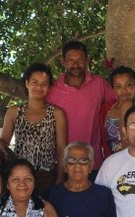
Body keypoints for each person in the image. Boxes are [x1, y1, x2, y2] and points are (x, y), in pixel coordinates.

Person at [1, 63, 68, 195]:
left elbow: (62, 148)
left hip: (47, 176)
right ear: (26, 83)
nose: (39, 87)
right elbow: (4, 143)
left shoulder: (56, 113)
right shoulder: (14, 112)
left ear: (49, 87)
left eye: (44, 84)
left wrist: (60, 177)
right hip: (20, 177)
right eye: (35, 82)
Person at [46, 40, 116, 169]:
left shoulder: (99, 84)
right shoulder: (52, 90)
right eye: (71, 60)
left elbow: (118, 107)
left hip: (93, 163)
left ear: (88, 60)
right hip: (63, 165)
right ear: (62, 61)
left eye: (80, 60)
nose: (75, 64)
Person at [99, 66, 135, 158]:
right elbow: (103, 141)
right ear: (113, 89)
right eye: (118, 86)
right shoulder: (106, 109)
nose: (124, 90)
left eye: (128, 85)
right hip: (113, 163)